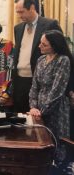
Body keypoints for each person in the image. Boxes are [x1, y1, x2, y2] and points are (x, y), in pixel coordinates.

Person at [28, 30, 73, 162]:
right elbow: (34, 87)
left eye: (44, 44)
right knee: (42, 147)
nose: (39, 46)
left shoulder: (63, 60)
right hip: (38, 112)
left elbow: (57, 91)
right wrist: (33, 107)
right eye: (40, 43)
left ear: (54, 45)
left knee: (57, 145)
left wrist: (41, 112)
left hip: (56, 111)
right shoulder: (41, 59)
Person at [13, 0, 62, 113]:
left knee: (37, 119)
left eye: (22, 12)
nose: (19, 16)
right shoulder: (18, 28)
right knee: (21, 117)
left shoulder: (50, 24)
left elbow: (60, 51)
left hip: (40, 82)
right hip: (20, 80)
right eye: (17, 12)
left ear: (32, 8)